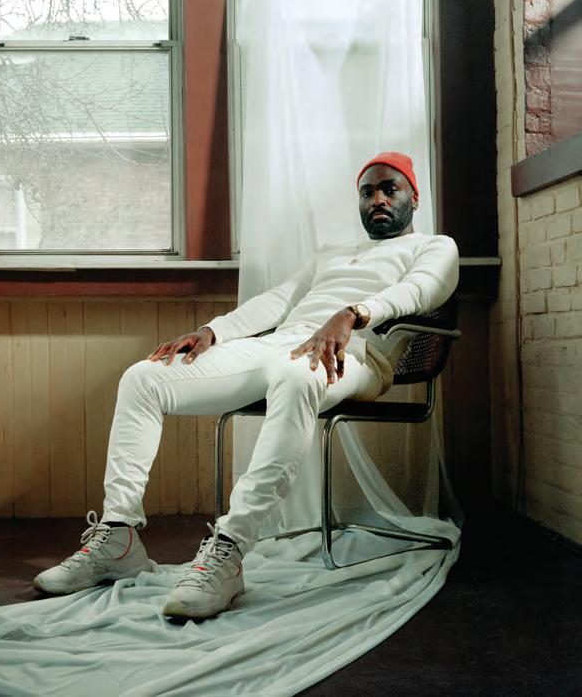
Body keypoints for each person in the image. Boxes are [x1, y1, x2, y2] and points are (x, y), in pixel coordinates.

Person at [33, 151, 459, 619]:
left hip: (353, 354)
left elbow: (419, 290)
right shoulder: (333, 252)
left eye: (389, 189)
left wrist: (353, 314)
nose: (377, 199)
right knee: (145, 377)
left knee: (295, 377)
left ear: (414, 197)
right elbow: (279, 300)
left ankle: (230, 550)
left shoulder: (435, 247)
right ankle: (119, 537)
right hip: (280, 345)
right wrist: (213, 331)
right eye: (367, 191)